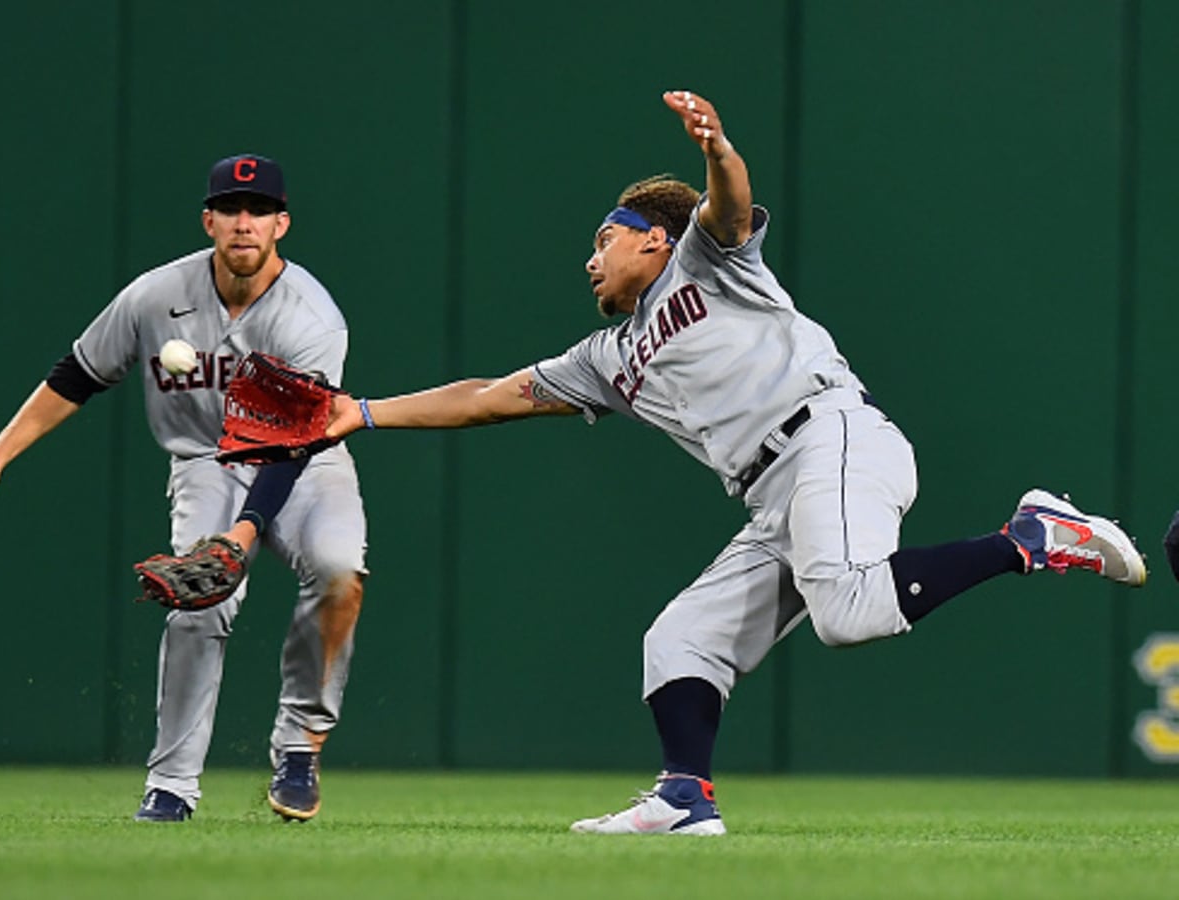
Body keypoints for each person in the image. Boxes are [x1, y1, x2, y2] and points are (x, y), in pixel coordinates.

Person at [323, 90, 1145, 835]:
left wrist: (715, 149)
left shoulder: (707, 263)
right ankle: (685, 797)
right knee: (681, 640)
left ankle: (1032, 536)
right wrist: (358, 413)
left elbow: (728, 204)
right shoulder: (607, 357)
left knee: (850, 612)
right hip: (775, 492)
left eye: (604, 240)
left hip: (831, 436)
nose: (591, 260)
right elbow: (486, 396)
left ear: (655, 240)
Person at [0, 154, 368, 823]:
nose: (244, 223)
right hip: (204, 460)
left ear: (282, 223)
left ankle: (299, 744)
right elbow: (78, 373)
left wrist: (242, 535)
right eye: (231, 208)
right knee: (199, 602)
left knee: (340, 572)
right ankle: (172, 787)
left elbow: (297, 438)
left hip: (304, 458)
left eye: (258, 210)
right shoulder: (155, 296)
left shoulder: (312, 316)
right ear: (208, 219)